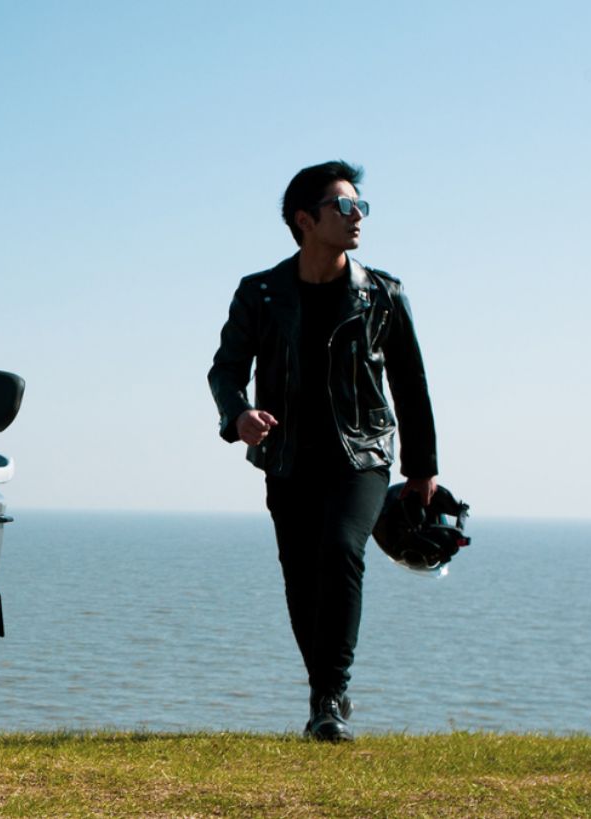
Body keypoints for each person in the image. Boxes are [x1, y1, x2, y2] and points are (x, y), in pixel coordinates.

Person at [207, 161, 438, 741]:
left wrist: (422, 470)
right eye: (344, 206)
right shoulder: (260, 293)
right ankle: (324, 700)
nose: (357, 216)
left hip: (362, 457)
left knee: (339, 550)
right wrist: (239, 415)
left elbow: (411, 384)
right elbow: (226, 370)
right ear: (305, 220)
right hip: (288, 459)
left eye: (361, 206)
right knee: (300, 574)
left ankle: (332, 694)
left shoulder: (382, 293)